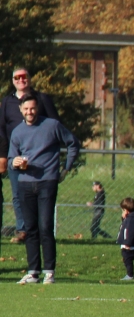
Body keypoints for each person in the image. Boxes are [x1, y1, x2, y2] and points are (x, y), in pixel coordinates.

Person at [8, 93, 80, 284]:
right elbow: (11, 159)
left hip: (47, 181)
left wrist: (66, 169)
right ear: (20, 110)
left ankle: (49, 271)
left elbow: (73, 143)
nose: (29, 112)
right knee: (30, 228)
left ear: (37, 108)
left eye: (32, 108)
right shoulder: (17, 132)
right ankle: (33, 272)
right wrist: (14, 162)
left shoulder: (52, 125)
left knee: (45, 226)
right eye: (26, 109)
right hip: (25, 183)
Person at [0, 67, 60, 243]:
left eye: (24, 76)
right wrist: (4, 156)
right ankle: (23, 230)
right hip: (15, 155)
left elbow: (56, 125)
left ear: (30, 78)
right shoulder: (7, 102)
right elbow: (1, 129)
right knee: (18, 194)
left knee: (40, 194)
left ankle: (40, 230)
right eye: (17, 77)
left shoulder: (41, 99)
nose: (21, 80)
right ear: (13, 81)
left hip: (38, 157)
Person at [116, 197, 134, 281]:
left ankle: (130, 275)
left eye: (123, 210)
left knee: (128, 260)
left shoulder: (131, 219)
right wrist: (123, 218)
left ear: (126, 210)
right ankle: (129, 275)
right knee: (126, 259)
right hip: (127, 244)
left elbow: (130, 232)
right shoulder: (128, 219)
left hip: (129, 245)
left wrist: (128, 243)